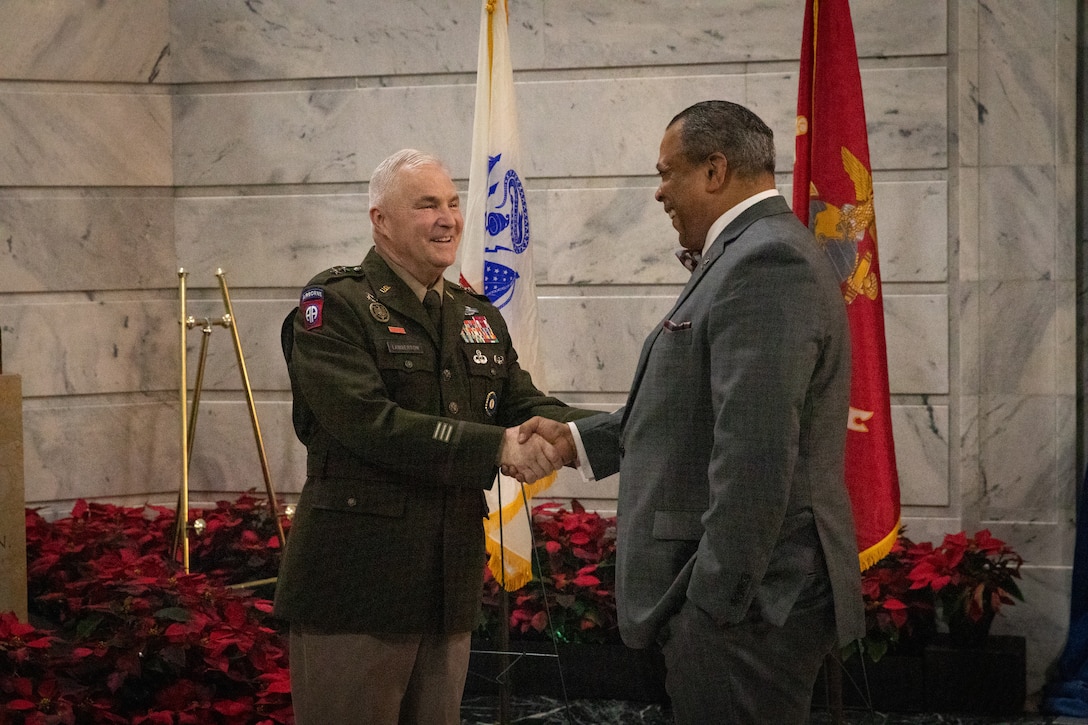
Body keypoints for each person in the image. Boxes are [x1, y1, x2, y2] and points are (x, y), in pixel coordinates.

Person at [520, 100, 865, 724]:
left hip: (752, 607)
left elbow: (755, 451)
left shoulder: (766, 262)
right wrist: (575, 439)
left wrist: (713, 604)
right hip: (747, 603)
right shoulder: (745, 252)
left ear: (714, 170)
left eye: (666, 172)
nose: (658, 193)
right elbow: (688, 411)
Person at [274, 148, 590, 725]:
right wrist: (496, 446)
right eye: (426, 205)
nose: (448, 218)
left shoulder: (474, 313)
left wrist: (596, 433)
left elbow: (521, 403)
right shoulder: (334, 306)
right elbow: (370, 423)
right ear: (381, 220)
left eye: (451, 202)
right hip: (356, 592)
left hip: (447, 589)